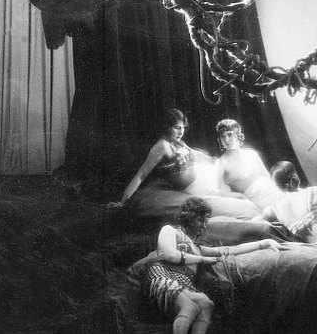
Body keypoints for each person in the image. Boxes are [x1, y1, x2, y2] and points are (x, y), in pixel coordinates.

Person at [144, 197, 286, 334]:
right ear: (189, 217)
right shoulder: (170, 230)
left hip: (183, 283)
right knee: (190, 307)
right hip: (163, 276)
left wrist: (264, 243)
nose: (204, 225)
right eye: (200, 220)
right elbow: (171, 255)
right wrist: (202, 259)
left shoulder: (197, 248)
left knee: (206, 304)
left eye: (206, 221)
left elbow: (230, 250)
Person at [111, 109, 218, 208]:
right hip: (193, 189)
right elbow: (140, 175)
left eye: (183, 128)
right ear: (168, 127)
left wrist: (213, 161)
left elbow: (195, 154)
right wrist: (122, 202)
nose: (181, 132)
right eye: (177, 128)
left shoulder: (179, 142)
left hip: (203, 177)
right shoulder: (161, 146)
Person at [214, 119, 283, 210]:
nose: (226, 140)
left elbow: (267, 176)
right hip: (256, 199)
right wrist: (239, 196)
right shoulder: (221, 162)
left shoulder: (251, 154)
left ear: (237, 135)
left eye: (229, 134)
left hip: (271, 189)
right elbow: (218, 190)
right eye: (223, 137)